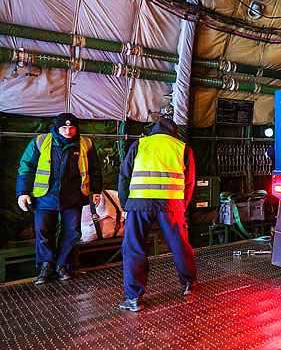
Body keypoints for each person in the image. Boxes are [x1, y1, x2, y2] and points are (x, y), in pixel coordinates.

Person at [118, 117, 196, 311]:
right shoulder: (183, 148)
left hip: (138, 203)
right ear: (175, 132)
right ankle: (188, 284)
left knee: (134, 247)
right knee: (179, 244)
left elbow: (124, 175)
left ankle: (134, 298)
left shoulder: (140, 144)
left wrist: (124, 205)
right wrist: (182, 205)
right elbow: (190, 181)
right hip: (171, 204)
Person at [16, 113, 102, 284]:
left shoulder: (85, 144)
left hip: (74, 196)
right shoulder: (40, 142)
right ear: (57, 127)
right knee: (44, 232)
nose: (68, 131)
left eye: (72, 128)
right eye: (64, 127)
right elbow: (26, 167)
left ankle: (63, 265)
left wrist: (96, 191)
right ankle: (47, 265)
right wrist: (23, 192)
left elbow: (95, 170)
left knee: (72, 231)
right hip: (45, 196)